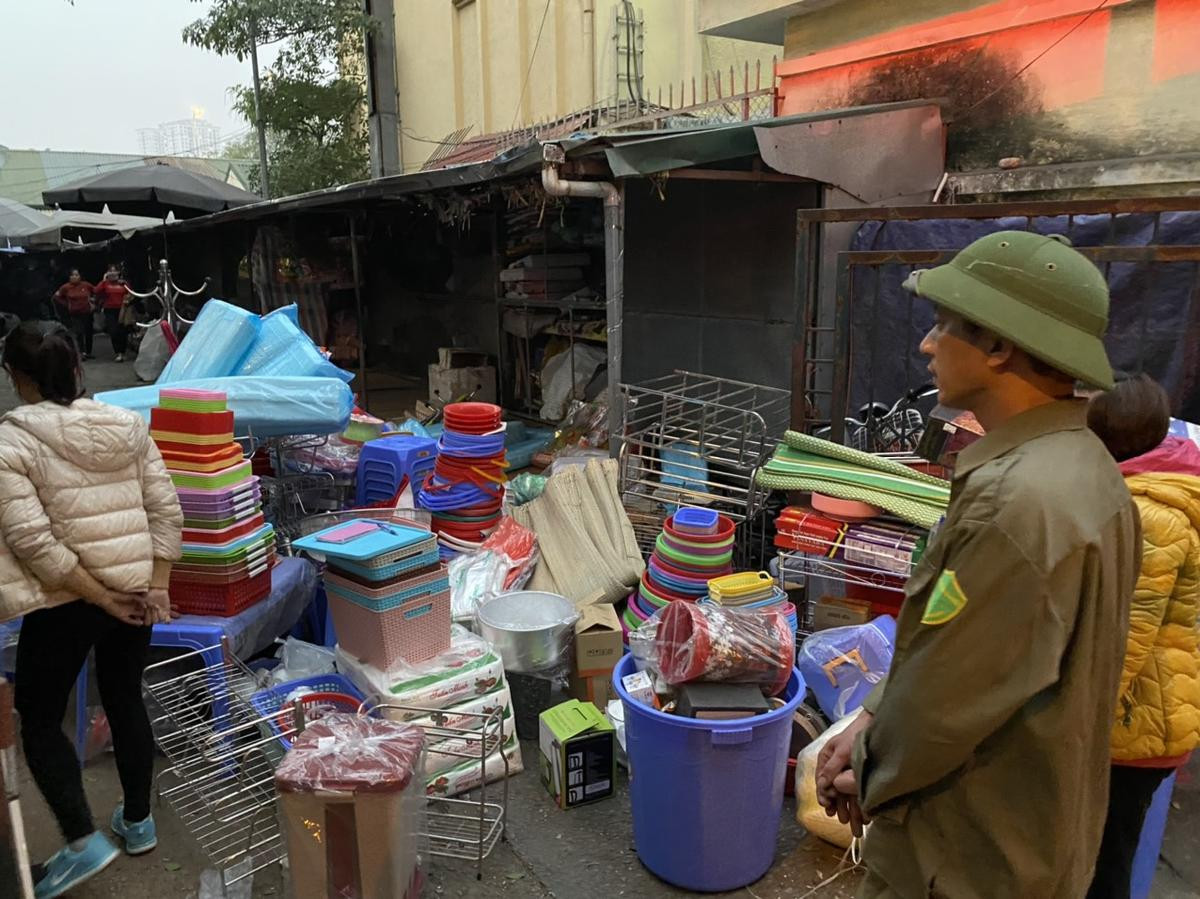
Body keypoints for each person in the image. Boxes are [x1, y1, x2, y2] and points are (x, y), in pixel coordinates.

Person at [815, 231, 1141, 897]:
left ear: (998, 347)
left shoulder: (1016, 501)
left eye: (944, 324)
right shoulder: (1088, 469)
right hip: (1027, 839)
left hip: (964, 855)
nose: (926, 344)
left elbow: (946, 706)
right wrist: (874, 716)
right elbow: (953, 655)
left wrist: (868, 768)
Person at [0, 323, 182, 898]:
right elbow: (166, 508)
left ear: (18, 377)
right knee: (125, 695)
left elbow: (34, 543)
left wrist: (99, 595)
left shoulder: (11, 442)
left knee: (38, 715)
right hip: (131, 590)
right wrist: (155, 586)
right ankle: (137, 820)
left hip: (65, 600)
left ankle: (82, 841)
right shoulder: (128, 424)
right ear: (78, 369)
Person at [1085, 373, 1200, 898]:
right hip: (1146, 714)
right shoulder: (1161, 481)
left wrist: (1075, 719)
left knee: (1101, 867)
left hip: (1134, 723)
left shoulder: (1149, 511)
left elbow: (1124, 635)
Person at [51, 269, 94, 359]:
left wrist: (94, 303)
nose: (74, 277)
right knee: (79, 332)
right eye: (72, 275)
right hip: (75, 313)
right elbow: (56, 297)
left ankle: (88, 351)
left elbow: (96, 291)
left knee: (88, 331)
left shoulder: (86, 285)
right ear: (69, 277)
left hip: (87, 312)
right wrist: (66, 304)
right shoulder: (66, 287)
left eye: (76, 275)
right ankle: (81, 352)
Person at [92, 264, 131, 362]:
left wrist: (127, 301)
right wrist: (104, 280)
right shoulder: (105, 284)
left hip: (122, 310)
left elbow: (130, 293)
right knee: (113, 331)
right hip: (109, 309)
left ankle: (122, 352)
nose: (113, 273)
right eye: (111, 271)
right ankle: (117, 352)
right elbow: (96, 291)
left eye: (115, 271)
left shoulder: (123, 283)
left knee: (122, 331)